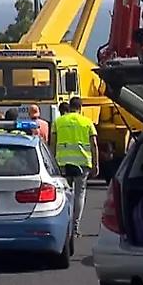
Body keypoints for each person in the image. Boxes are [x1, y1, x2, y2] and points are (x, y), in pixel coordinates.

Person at [54, 97, 98, 235]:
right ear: (80, 107)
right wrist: (96, 164)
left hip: (62, 163)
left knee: (64, 195)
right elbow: (94, 144)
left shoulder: (58, 121)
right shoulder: (87, 122)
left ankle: (64, 225)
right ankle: (75, 226)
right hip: (82, 163)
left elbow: (52, 143)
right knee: (79, 194)